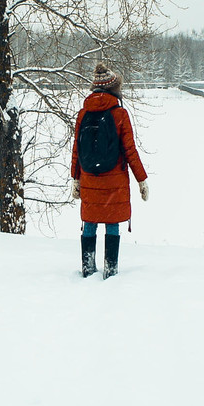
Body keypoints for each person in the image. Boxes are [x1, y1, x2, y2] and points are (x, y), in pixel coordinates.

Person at [70, 62, 148, 278]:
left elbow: (76, 149)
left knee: (90, 223)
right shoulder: (120, 114)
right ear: (114, 89)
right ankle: (110, 271)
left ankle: (87, 269)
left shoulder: (83, 114)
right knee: (112, 222)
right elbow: (130, 151)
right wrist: (142, 179)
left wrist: (75, 179)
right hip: (114, 182)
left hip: (89, 179)